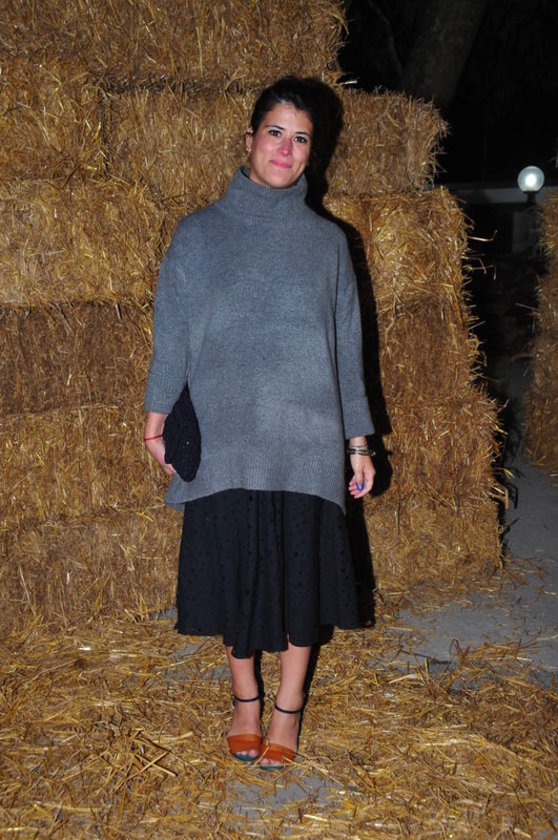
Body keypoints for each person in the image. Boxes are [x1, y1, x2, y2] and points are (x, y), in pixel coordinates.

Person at [143, 77, 375, 769]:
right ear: (248, 139)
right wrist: (156, 418)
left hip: (306, 442)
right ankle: (245, 699)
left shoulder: (328, 243)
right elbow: (171, 333)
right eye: (275, 132)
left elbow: (347, 348)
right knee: (234, 577)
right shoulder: (198, 234)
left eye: (301, 138)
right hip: (226, 438)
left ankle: (287, 708)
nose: (286, 148)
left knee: (301, 583)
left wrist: (357, 442)